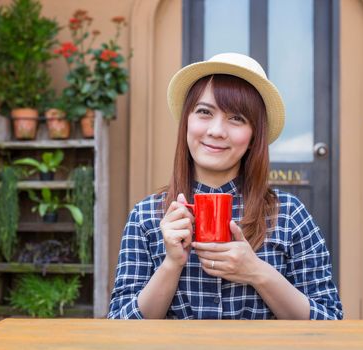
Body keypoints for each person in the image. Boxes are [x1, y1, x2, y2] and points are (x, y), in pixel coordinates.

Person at [108, 53, 343, 320]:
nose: (217, 130)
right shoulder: (148, 215)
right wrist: (171, 264)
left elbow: (330, 320)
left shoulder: (288, 215)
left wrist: (257, 272)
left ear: (254, 137)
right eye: (204, 112)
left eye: (237, 118)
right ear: (187, 120)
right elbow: (120, 325)